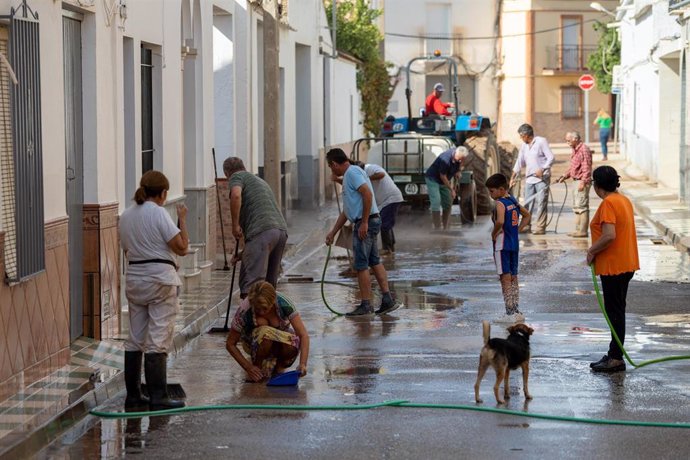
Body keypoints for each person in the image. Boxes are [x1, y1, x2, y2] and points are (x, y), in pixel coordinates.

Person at [119, 170, 188, 410]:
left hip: (135, 279)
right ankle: (159, 396)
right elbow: (181, 248)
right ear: (162, 193)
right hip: (159, 280)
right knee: (158, 337)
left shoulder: (126, 216)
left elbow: (127, 251)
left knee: (135, 338)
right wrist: (182, 221)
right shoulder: (158, 213)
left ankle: (134, 396)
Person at [324, 148, 399, 316]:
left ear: (334, 164)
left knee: (361, 265)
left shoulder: (352, 173)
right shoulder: (352, 174)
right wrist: (333, 232)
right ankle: (387, 299)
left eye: (331, 166)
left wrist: (364, 222)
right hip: (368, 220)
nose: (332, 170)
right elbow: (347, 210)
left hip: (366, 222)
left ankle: (366, 305)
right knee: (374, 260)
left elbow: (367, 194)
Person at [587, 166, 640, 373]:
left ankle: (616, 358)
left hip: (614, 267)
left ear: (597, 185)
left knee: (615, 313)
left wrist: (591, 251)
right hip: (625, 263)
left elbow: (609, 235)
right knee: (617, 311)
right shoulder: (623, 200)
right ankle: (613, 353)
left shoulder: (609, 203)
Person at [223, 157, 288, 299]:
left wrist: (235, 226)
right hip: (280, 231)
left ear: (227, 173)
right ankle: (270, 319)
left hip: (263, 231)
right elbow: (261, 243)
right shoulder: (258, 180)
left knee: (252, 286)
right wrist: (242, 255)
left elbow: (235, 195)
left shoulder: (237, 177)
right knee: (269, 287)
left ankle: (252, 319)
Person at [225, 281, 310, 382]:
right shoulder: (244, 309)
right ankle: (258, 368)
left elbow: (303, 335)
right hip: (255, 344)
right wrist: (248, 367)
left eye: (265, 309)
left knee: (293, 340)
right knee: (265, 332)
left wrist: (303, 364)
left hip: (279, 342)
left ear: (273, 301)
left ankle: (279, 367)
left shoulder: (283, 303)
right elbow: (230, 344)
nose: (261, 312)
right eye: (257, 309)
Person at [486, 173, 531, 320]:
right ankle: (516, 308)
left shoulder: (500, 203)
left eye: (491, 191)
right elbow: (527, 215)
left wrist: (494, 233)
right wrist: (517, 230)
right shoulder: (512, 199)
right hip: (513, 244)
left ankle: (509, 311)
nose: (490, 194)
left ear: (500, 189)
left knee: (504, 278)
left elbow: (499, 221)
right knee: (513, 277)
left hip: (502, 245)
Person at [510, 123, 554, 235]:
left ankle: (540, 227)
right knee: (526, 204)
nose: (520, 138)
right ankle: (526, 226)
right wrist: (512, 177)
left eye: (521, 136)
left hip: (542, 179)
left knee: (541, 203)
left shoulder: (541, 141)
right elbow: (519, 162)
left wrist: (543, 169)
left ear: (527, 135)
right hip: (529, 179)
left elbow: (551, 157)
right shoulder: (524, 146)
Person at [557, 131, 593, 238]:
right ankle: (578, 230)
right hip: (575, 180)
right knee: (577, 207)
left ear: (575, 139)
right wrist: (565, 175)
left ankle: (583, 231)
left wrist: (583, 181)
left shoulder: (584, 149)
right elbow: (574, 167)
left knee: (582, 207)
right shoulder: (575, 150)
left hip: (581, 181)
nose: (567, 142)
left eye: (569, 140)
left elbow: (586, 168)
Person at [425, 146, 469, 229]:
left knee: (448, 202)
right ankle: (437, 228)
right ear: (456, 153)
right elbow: (443, 176)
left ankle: (445, 227)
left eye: (461, 159)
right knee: (436, 201)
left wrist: (458, 171)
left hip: (444, 181)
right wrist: (451, 189)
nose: (459, 161)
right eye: (459, 159)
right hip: (433, 179)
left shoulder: (459, 157)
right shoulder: (445, 159)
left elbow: (460, 164)